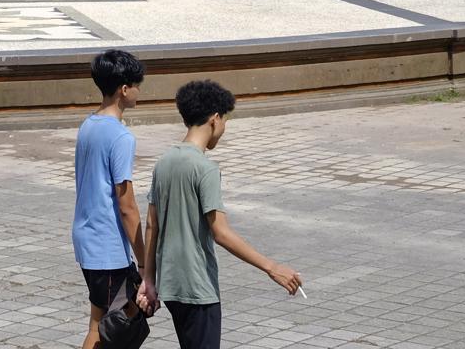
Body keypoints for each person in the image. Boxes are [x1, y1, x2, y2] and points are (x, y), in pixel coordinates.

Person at [140, 80, 303, 349]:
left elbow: (151, 225)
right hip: (198, 287)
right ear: (215, 119)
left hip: (171, 286)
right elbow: (221, 232)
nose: (224, 128)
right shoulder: (205, 169)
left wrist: (148, 279)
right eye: (225, 120)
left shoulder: (164, 162)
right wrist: (272, 268)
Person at [73, 49, 146, 349]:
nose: (139, 91)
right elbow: (126, 203)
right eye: (137, 85)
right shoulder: (120, 136)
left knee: (101, 320)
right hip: (108, 245)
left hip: (88, 238)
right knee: (109, 327)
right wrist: (144, 261)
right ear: (124, 89)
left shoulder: (88, 125)